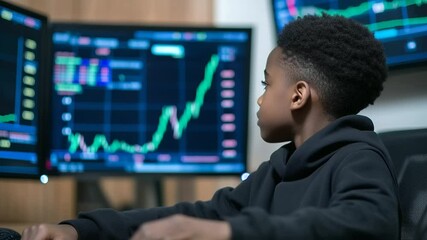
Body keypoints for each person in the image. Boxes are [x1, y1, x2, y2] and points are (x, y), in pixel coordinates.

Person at [22, 13, 400, 240]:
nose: (260, 97)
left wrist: (229, 234)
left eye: (267, 84)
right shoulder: (278, 170)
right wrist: (81, 230)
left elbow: (367, 225)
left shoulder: (358, 156)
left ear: (298, 96)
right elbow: (201, 215)